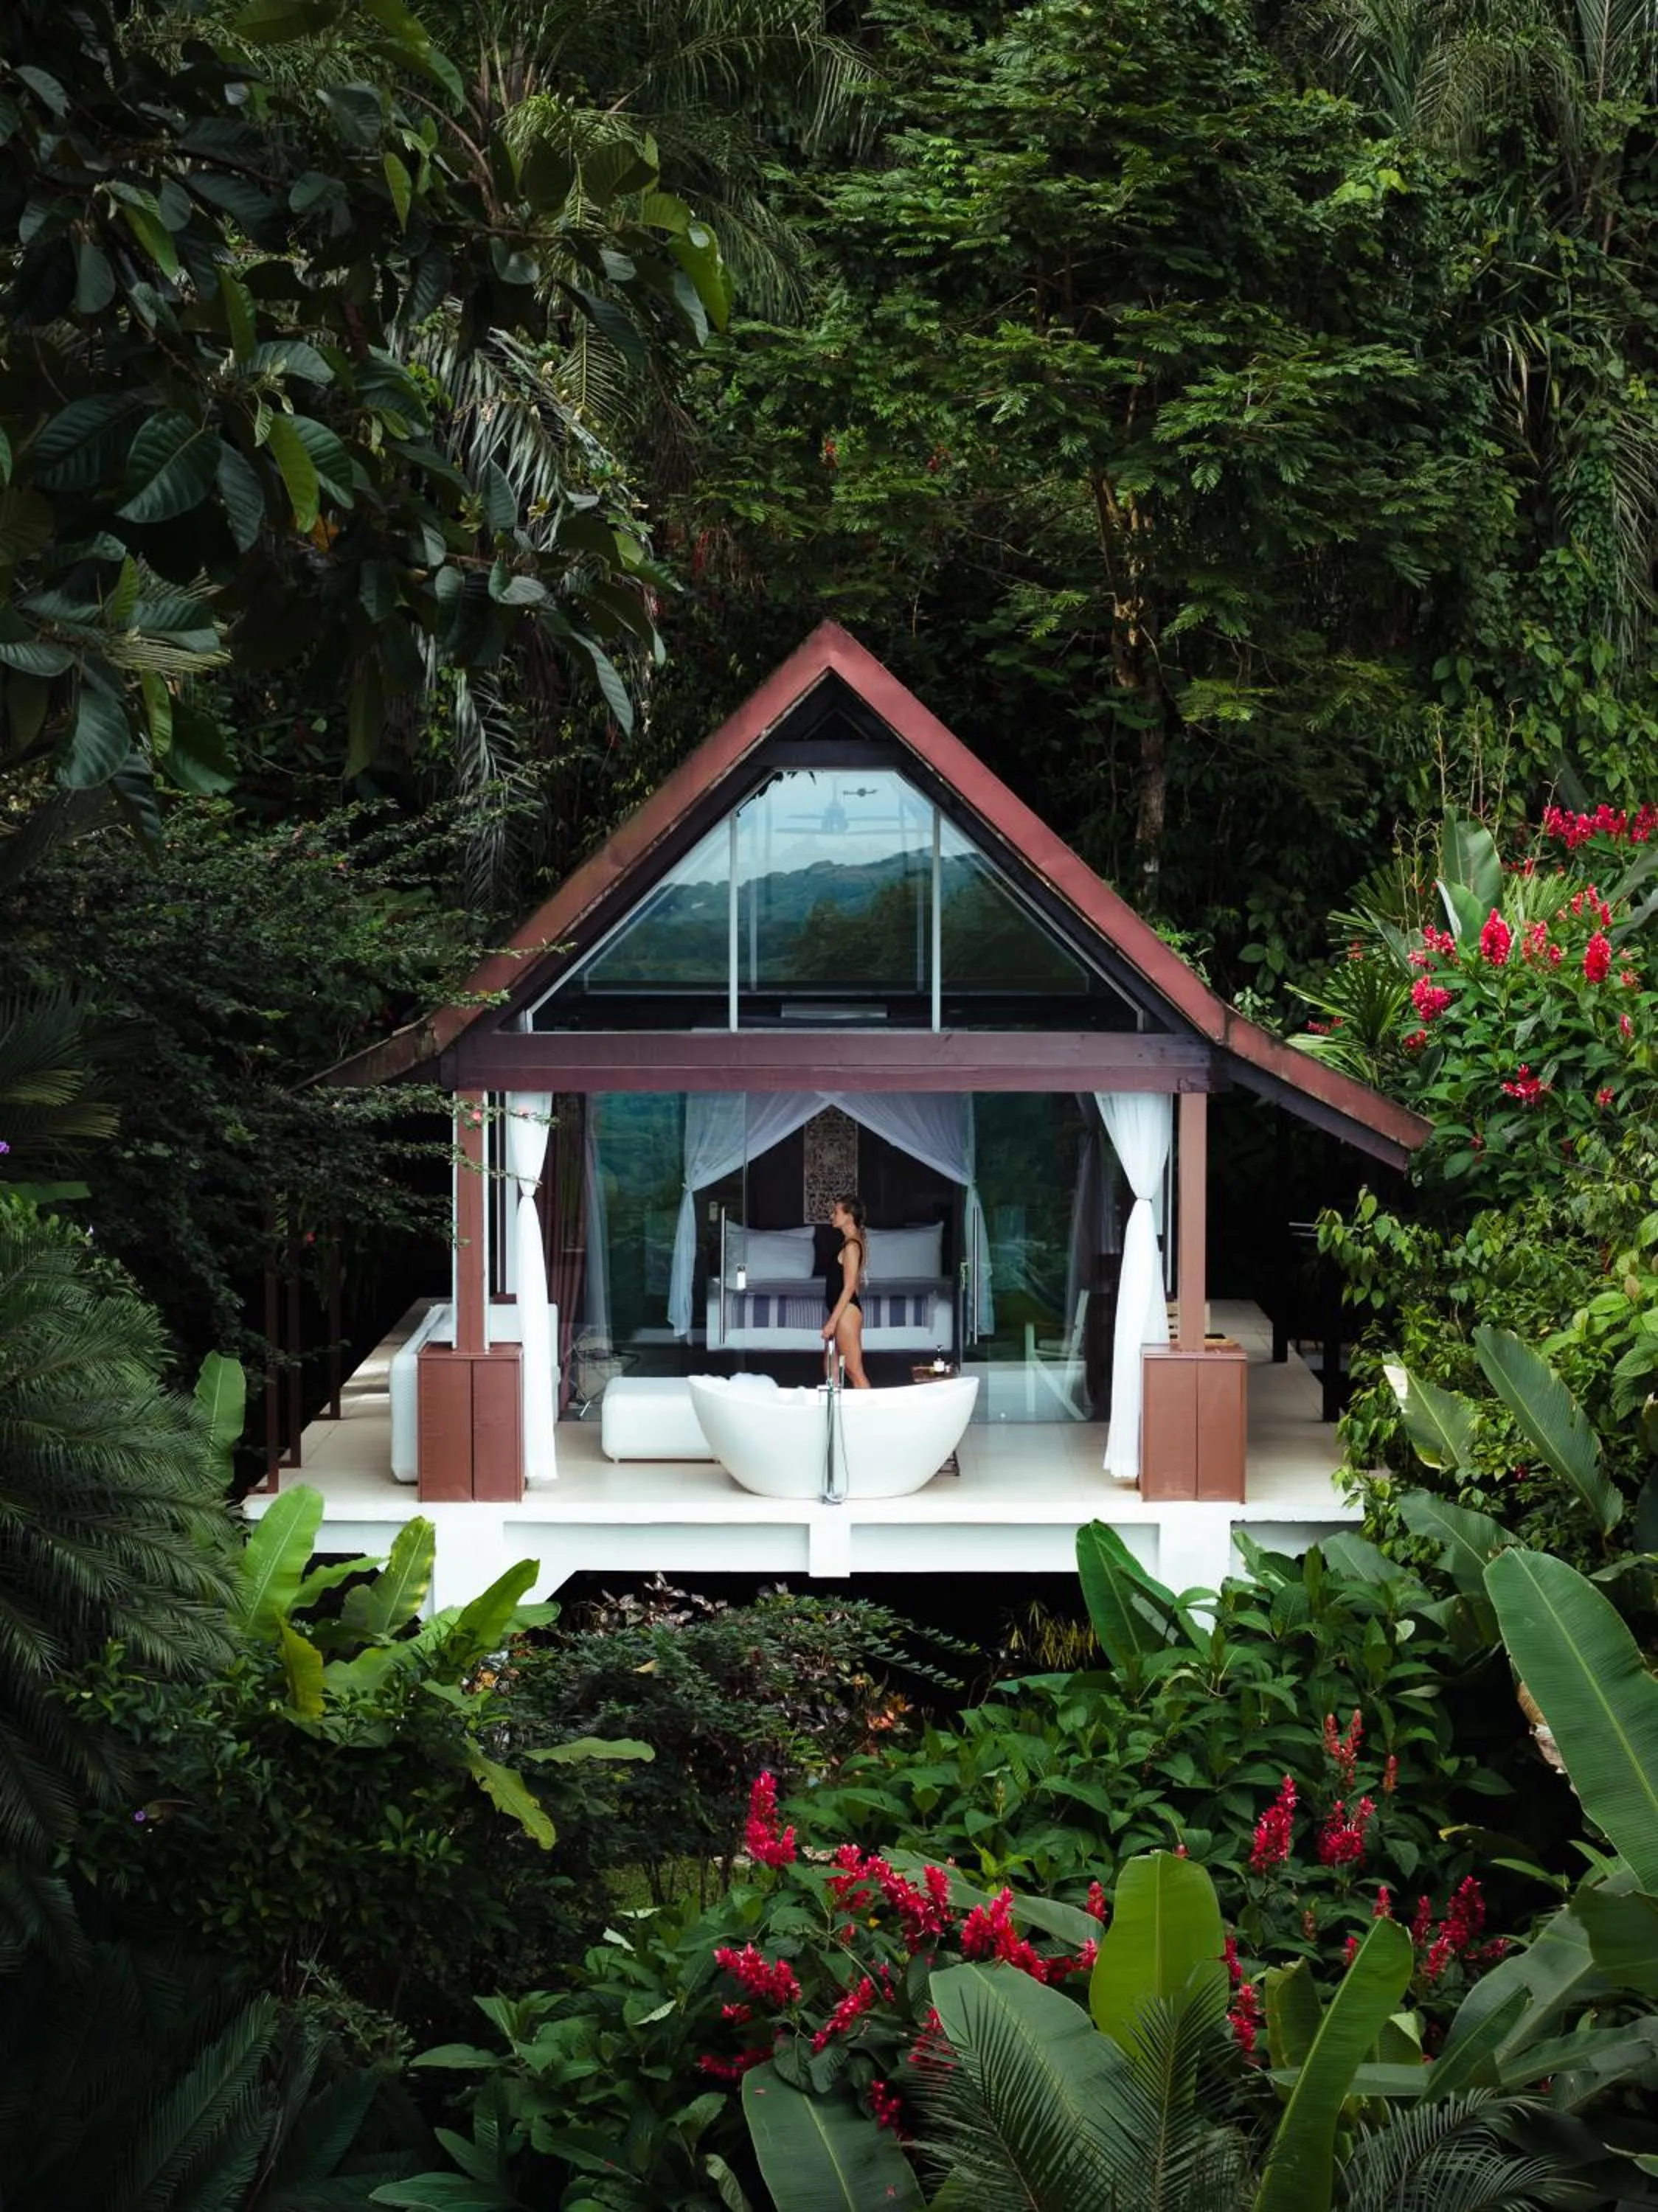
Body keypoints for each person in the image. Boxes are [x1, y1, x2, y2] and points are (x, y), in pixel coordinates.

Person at [822, 1193, 871, 1388]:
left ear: (849, 1217)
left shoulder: (852, 1246)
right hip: (843, 1311)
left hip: (845, 1314)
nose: (832, 1216)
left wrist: (834, 1322)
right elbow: (855, 1285)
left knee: (854, 1371)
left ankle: (873, 1414)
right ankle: (837, 1413)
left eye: (836, 1212)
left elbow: (850, 1286)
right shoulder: (852, 1242)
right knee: (830, 1368)